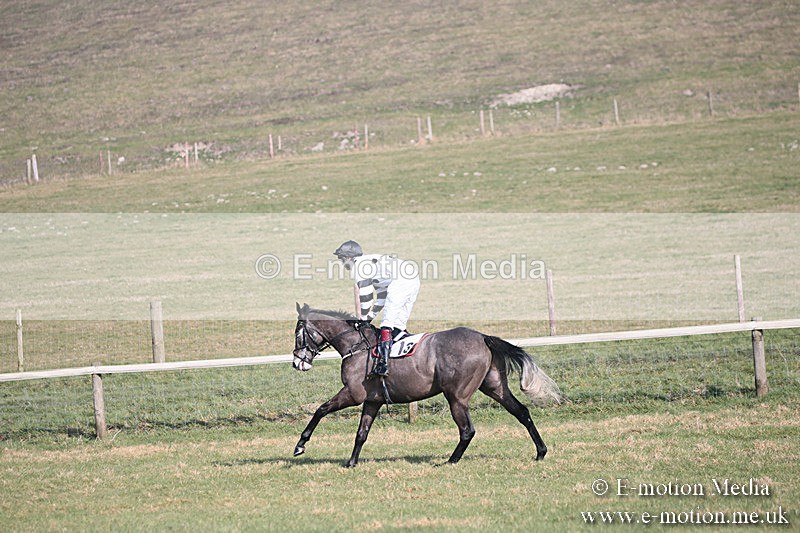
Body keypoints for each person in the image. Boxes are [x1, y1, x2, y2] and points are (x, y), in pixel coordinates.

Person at [333, 240, 420, 376]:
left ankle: (383, 365)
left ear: (349, 257)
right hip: (412, 278)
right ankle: (407, 360)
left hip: (402, 280)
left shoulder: (359, 266)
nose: (342, 263)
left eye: (341, 259)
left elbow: (366, 296)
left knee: (387, 324)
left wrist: (363, 319)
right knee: (398, 326)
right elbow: (381, 298)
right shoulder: (371, 266)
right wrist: (369, 318)